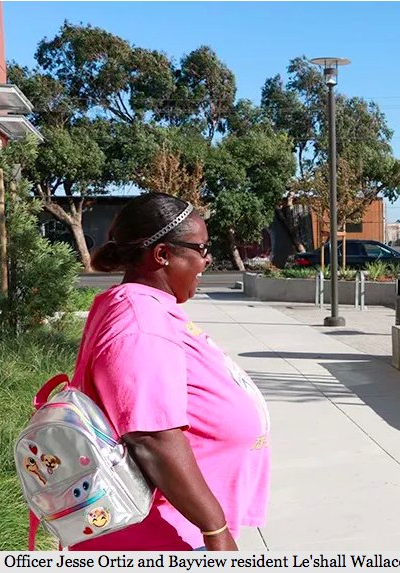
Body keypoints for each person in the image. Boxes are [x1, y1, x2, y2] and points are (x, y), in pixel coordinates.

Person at [69, 193, 270, 551]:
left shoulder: (148, 307)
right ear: (162, 254)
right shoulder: (139, 321)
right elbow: (151, 436)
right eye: (202, 249)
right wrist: (215, 529)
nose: (206, 261)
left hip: (177, 530)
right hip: (161, 538)